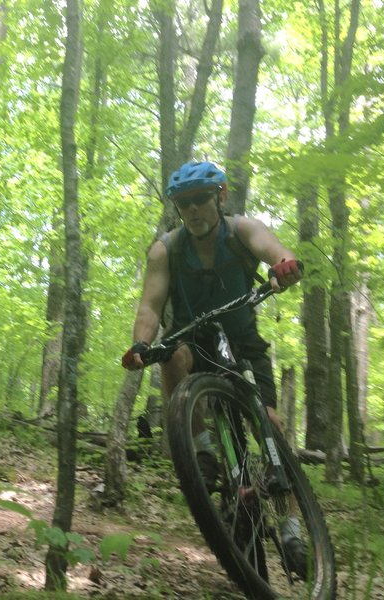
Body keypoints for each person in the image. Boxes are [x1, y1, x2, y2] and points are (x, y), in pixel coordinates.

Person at [121, 160, 307, 577]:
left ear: (220, 196)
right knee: (171, 354)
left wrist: (284, 265)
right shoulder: (166, 249)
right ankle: (201, 449)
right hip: (193, 341)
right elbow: (150, 306)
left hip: (244, 345)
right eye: (184, 203)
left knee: (272, 428)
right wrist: (140, 344)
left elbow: (273, 248)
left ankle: (292, 527)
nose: (194, 209)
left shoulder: (240, 230)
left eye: (201, 199)